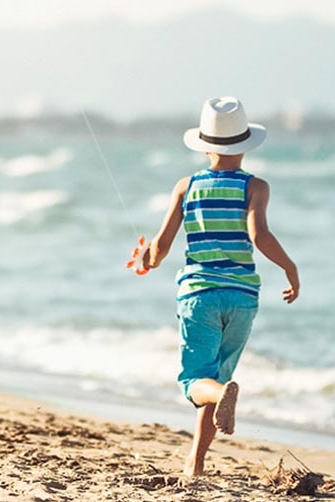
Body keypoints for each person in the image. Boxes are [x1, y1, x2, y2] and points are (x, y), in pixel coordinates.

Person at [137, 96, 301, 477]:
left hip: (199, 295)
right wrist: (290, 268)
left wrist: (146, 259)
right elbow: (258, 235)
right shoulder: (256, 187)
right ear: (244, 146)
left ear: (205, 144)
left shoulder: (186, 186)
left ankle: (210, 421)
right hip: (242, 297)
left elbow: (160, 249)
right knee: (218, 378)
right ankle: (195, 463)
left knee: (197, 380)